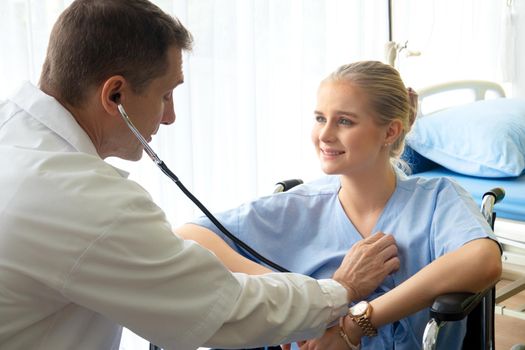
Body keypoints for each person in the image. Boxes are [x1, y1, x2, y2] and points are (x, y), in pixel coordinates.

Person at [0, 2, 401, 350]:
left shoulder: (14, 135)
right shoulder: (82, 200)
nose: (170, 116)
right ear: (115, 95)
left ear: (392, 132)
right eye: (165, 95)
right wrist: (342, 289)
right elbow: (222, 309)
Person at [177, 61, 503, 350]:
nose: (325, 134)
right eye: (320, 118)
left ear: (390, 131)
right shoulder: (300, 206)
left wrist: (354, 326)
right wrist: (297, 297)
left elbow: (482, 259)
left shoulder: (436, 199)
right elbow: (190, 234)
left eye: (344, 121)